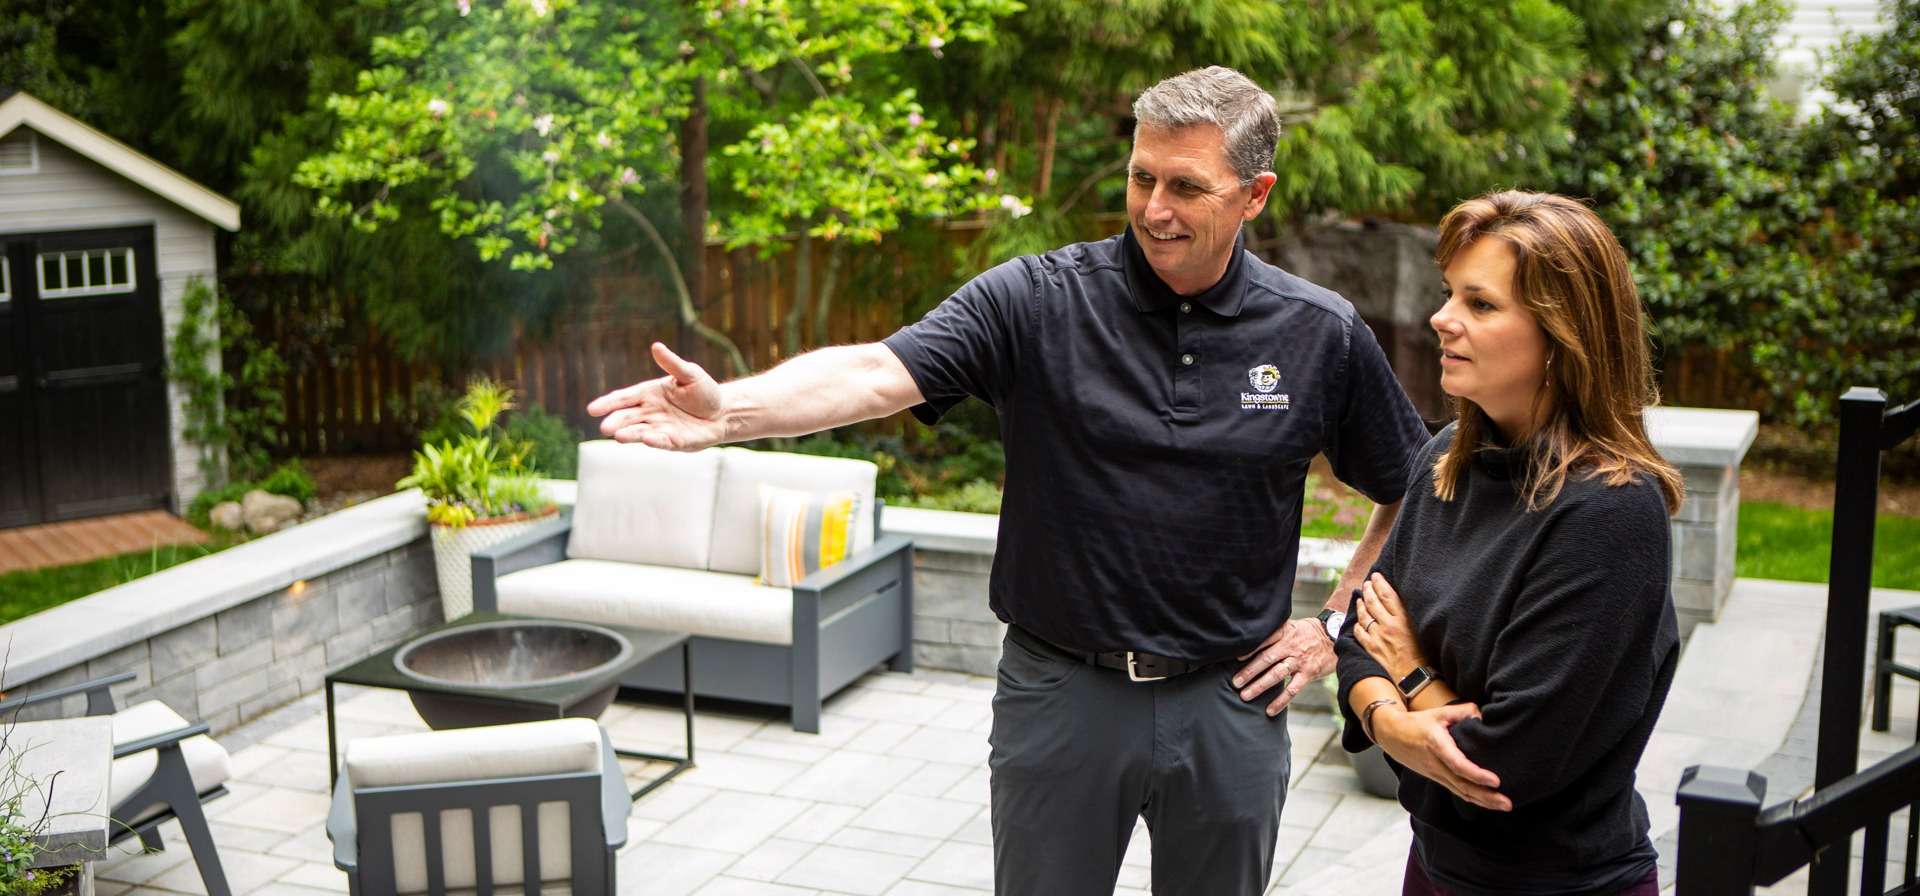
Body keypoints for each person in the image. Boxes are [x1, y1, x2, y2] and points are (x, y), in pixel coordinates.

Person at [589, 66, 1431, 895]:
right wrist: (729, 412)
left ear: (1254, 195)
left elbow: (1416, 486)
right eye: (1142, 177)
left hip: (1231, 702)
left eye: (1186, 186)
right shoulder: (1039, 299)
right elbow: (879, 371)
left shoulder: (1319, 333)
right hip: (1061, 692)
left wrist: (1335, 620)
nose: (1155, 209)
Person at [1335, 190, 1685, 895]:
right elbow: (1354, 640)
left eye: (1480, 304)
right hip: (1434, 866)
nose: (1441, 319)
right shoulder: (1446, 462)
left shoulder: (1611, 513)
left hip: (1558, 883)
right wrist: (1398, 720)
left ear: (1564, 337)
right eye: (1448, 295)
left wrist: (1406, 672)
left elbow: (1506, 762)